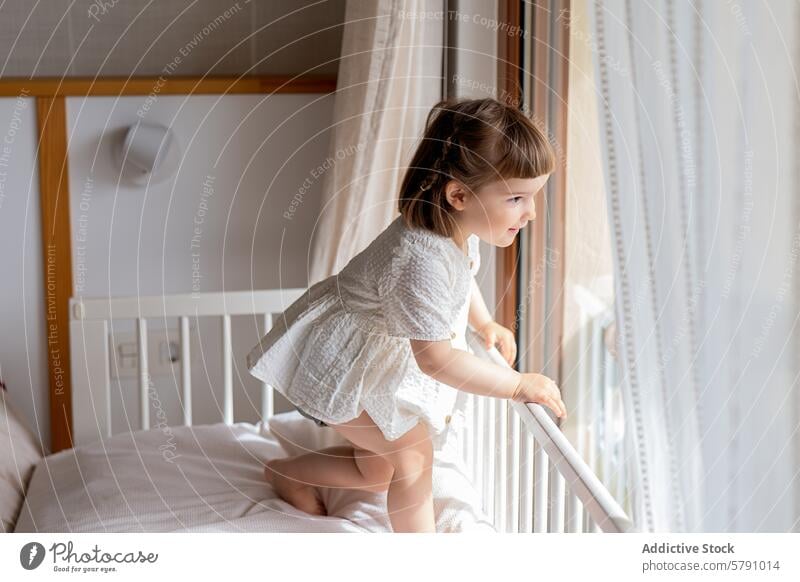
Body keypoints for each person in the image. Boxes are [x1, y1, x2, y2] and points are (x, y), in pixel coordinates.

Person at [246, 97, 567, 532]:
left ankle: (287, 472)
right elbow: (435, 359)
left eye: (533, 197)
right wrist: (515, 386)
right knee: (414, 456)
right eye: (516, 198)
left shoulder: (454, 229)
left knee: (377, 471)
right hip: (341, 362)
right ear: (457, 194)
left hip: (370, 360)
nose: (530, 213)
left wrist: (484, 322)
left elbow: (461, 280)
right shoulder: (419, 257)